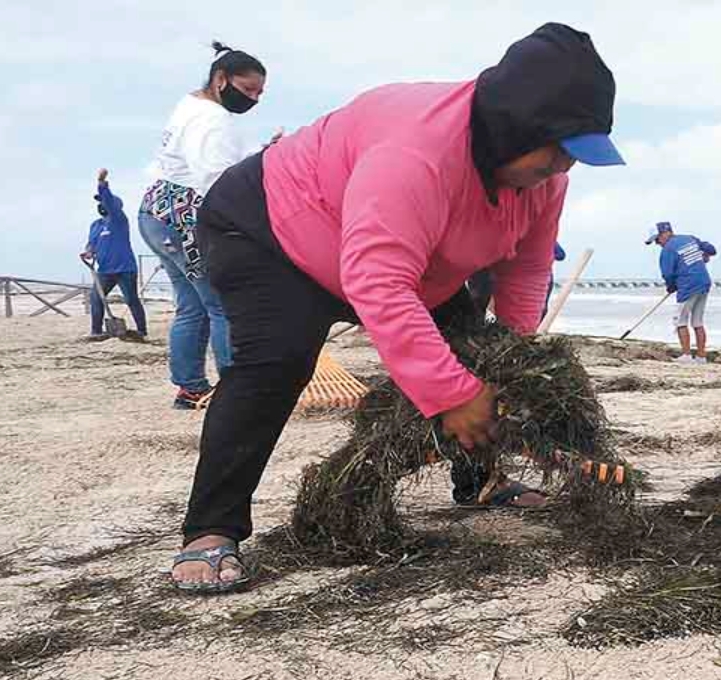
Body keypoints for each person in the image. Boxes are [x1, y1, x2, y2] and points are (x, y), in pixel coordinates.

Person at [169, 23, 623, 593]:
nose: (564, 168)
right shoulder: (417, 151)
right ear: (512, 128)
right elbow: (378, 280)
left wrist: (510, 363)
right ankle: (210, 530)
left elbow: (526, 270)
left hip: (393, 257)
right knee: (277, 360)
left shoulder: (543, 178)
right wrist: (451, 395)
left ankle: (480, 481)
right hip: (268, 230)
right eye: (558, 151)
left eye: (575, 156)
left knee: (478, 354)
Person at [138, 41, 272, 410]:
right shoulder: (212, 119)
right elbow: (215, 178)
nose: (254, 99)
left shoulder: (192, 104)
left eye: (259, 93)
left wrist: (260, 154)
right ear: (221, 79)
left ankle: (190, 387)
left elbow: (219, 162)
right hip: (183, 217)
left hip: (156, 213)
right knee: (222, 302)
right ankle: (237, 390)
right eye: (247, 90)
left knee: (193, 306)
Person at [82, 168, 148, 341]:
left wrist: (102, 184)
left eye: (103, 202)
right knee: (96, 298)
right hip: (104, 270)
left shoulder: (119, 220)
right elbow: (92, 244)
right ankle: (96, 331)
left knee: (131, 299)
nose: (101, 205)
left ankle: (142, 331)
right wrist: (88, 252)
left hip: (125, 268)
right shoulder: (96, 225)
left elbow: (109, 201)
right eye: (99, 202)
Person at [646, 221, 716, 364]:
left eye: (657, 239)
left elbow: (667, 273)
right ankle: (701, 357)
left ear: (666, 233)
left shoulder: (668, 250)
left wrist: (670, 286)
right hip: (704, 282)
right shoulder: (690, 238)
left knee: (680, 321)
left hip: (688, 285)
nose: (658, 243)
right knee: (697, 321)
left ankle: (686, 355)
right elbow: (712, 249)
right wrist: (705, 254)